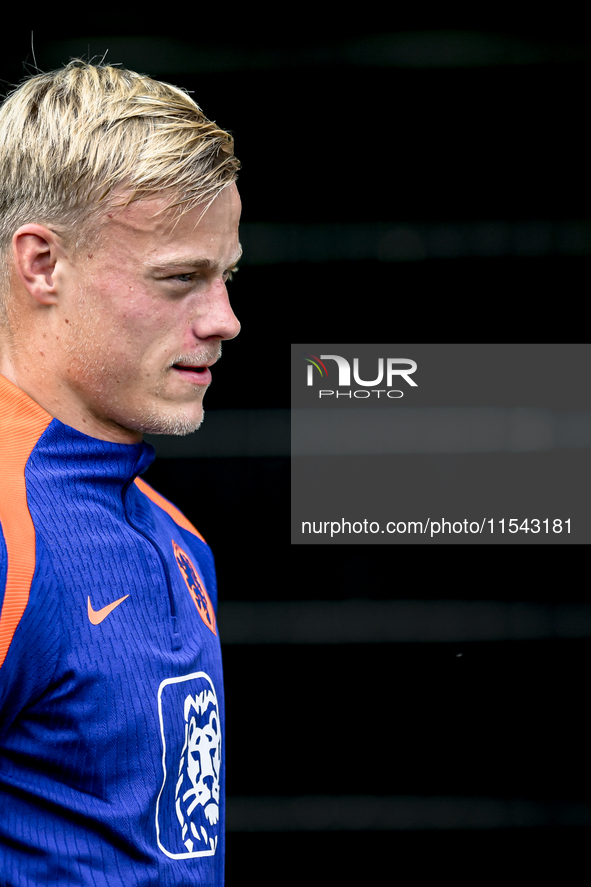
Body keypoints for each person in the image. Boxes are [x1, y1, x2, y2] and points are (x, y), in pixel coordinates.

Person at [0, 60, 241, 885]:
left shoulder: (178, 539)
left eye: (225, 276)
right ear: (41, 264)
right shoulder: (8, 534)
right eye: (180, 278)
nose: (224, 319)